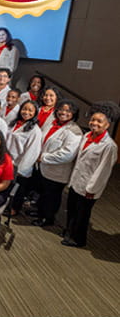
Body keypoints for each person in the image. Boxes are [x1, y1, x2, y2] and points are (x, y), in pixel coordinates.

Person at [63, 101, 120, 248]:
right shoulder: (87, 135)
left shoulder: (109, 146)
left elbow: (103, 171)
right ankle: (69, 231)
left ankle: (78, 239)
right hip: (77, 180)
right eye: (93, 120)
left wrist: (91, 189)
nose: (94, 123)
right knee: (72, 209)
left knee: (82, 215)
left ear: (107, 125)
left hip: (89, 186)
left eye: (99, 121)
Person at [32, 99, 82, 226]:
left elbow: (67, 154)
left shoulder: (75, 131)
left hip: (57, 171)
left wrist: (43, 157)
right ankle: (40, 212)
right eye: (61, 109)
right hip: (44, 167)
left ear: (74, 114)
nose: (63, 112)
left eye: (68, 111)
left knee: (52, 197)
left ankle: (48, 218)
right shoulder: (52, 124)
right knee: (44, 193)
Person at [6, 100, 42, 216]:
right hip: (7, 161)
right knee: (6, 186)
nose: (26, 112)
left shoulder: (35, 130)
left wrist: (22, 169)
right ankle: (5, 205)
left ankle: (14, 209)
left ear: (35, 113)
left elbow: (32, 152)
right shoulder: (14, 123)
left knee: (18, 190)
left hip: (19, 165)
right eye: (24, 109)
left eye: (30, 110)